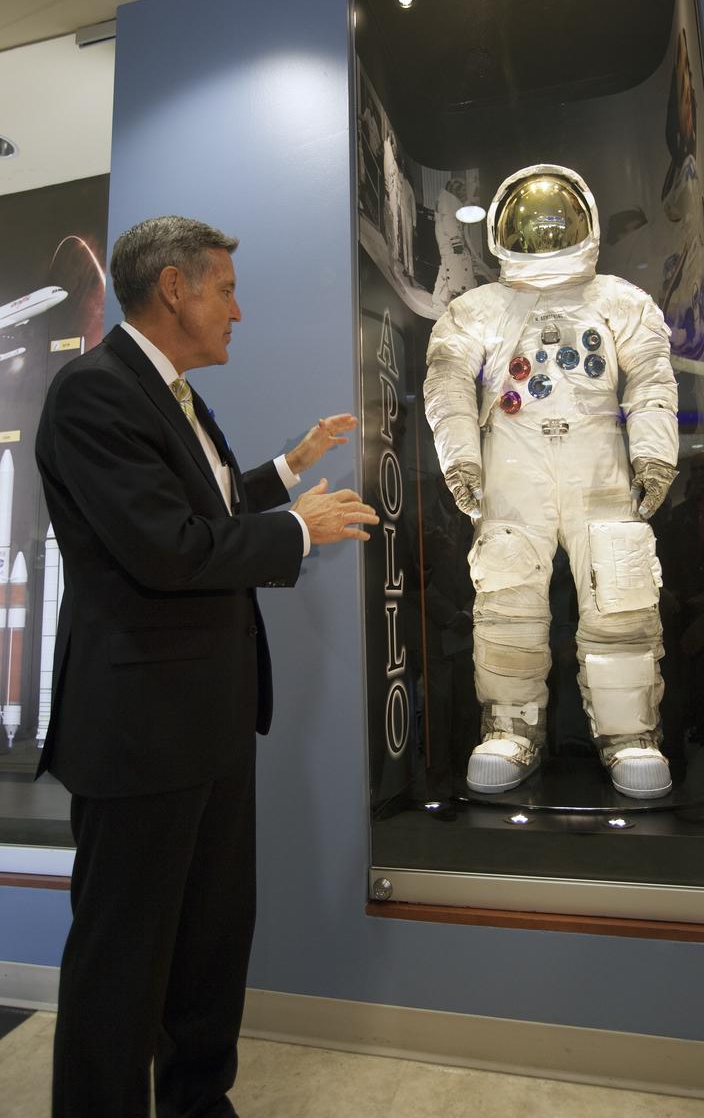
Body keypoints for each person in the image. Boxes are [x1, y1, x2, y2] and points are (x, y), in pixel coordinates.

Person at [35, 215, 378, 1118]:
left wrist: (290, 467)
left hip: (213, 720)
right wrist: (303, 525)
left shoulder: (173, 395)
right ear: (176, 288)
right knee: (124, 962)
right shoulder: (92, 393)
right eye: (224, 288)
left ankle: (196, 1104)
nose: (237, 309)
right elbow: (170, 549)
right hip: (141, 736)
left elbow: (209, 504)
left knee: (210, 944)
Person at [424, 165, 678, 801]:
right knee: (507, 602)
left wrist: (654, 456)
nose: (542, 234)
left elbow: (651, 382)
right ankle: (510, 728)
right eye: (530, 225)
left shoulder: (620, 302)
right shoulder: (477, 310)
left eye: (554, 223)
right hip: (514, 466)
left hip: (599, 466)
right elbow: (449, 386)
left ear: (583, 224)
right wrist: (461, 459)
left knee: (620, 598)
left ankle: (630, 736)